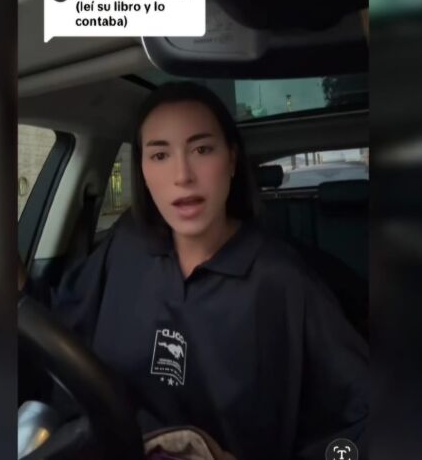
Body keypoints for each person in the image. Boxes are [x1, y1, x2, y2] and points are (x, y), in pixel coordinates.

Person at [49, 82, 368, 460]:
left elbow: (368, 418)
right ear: (143, 171)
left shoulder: (283, 281)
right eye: (160, 155)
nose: (182, 175)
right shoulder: (125, 248)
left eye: (202, 149)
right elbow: (57, 333)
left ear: (231, 160)